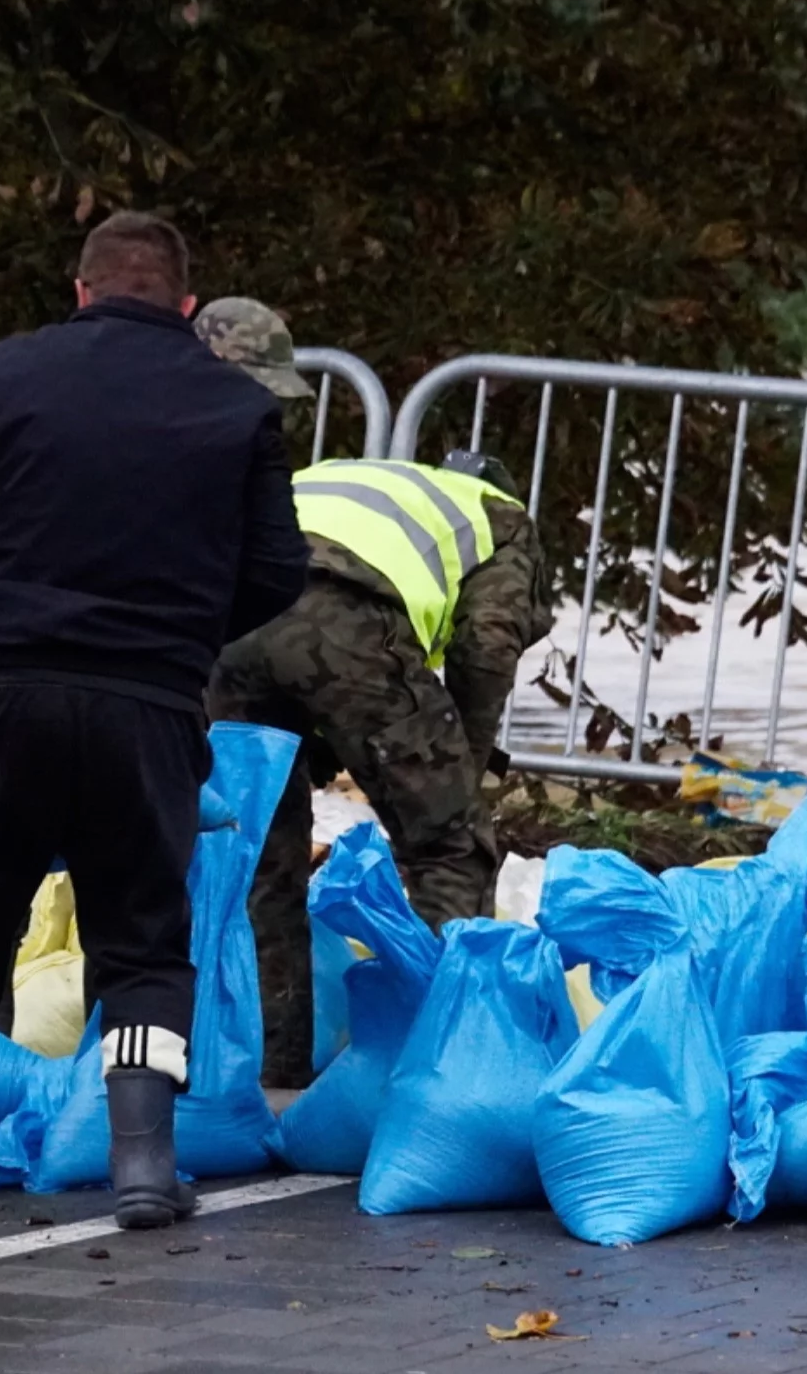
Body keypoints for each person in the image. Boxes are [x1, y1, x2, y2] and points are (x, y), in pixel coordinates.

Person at [0, 216, 308, 1228]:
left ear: (80, 292)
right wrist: (178, 633)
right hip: (149, 703)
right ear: (183, 308)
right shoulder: (237, 405)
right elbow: (277, 569)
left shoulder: (1, 374)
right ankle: (142, 1166)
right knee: (141, 930)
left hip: (2, 692)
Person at [196, 297, 553, 1088]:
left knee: (261, 857)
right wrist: (463, 751)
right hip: (343, 616)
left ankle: (274, 1061)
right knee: (447, 845)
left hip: (229, 622)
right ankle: (434, 1065)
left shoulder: (342, 478)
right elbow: (487, 642)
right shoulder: (500, 517)